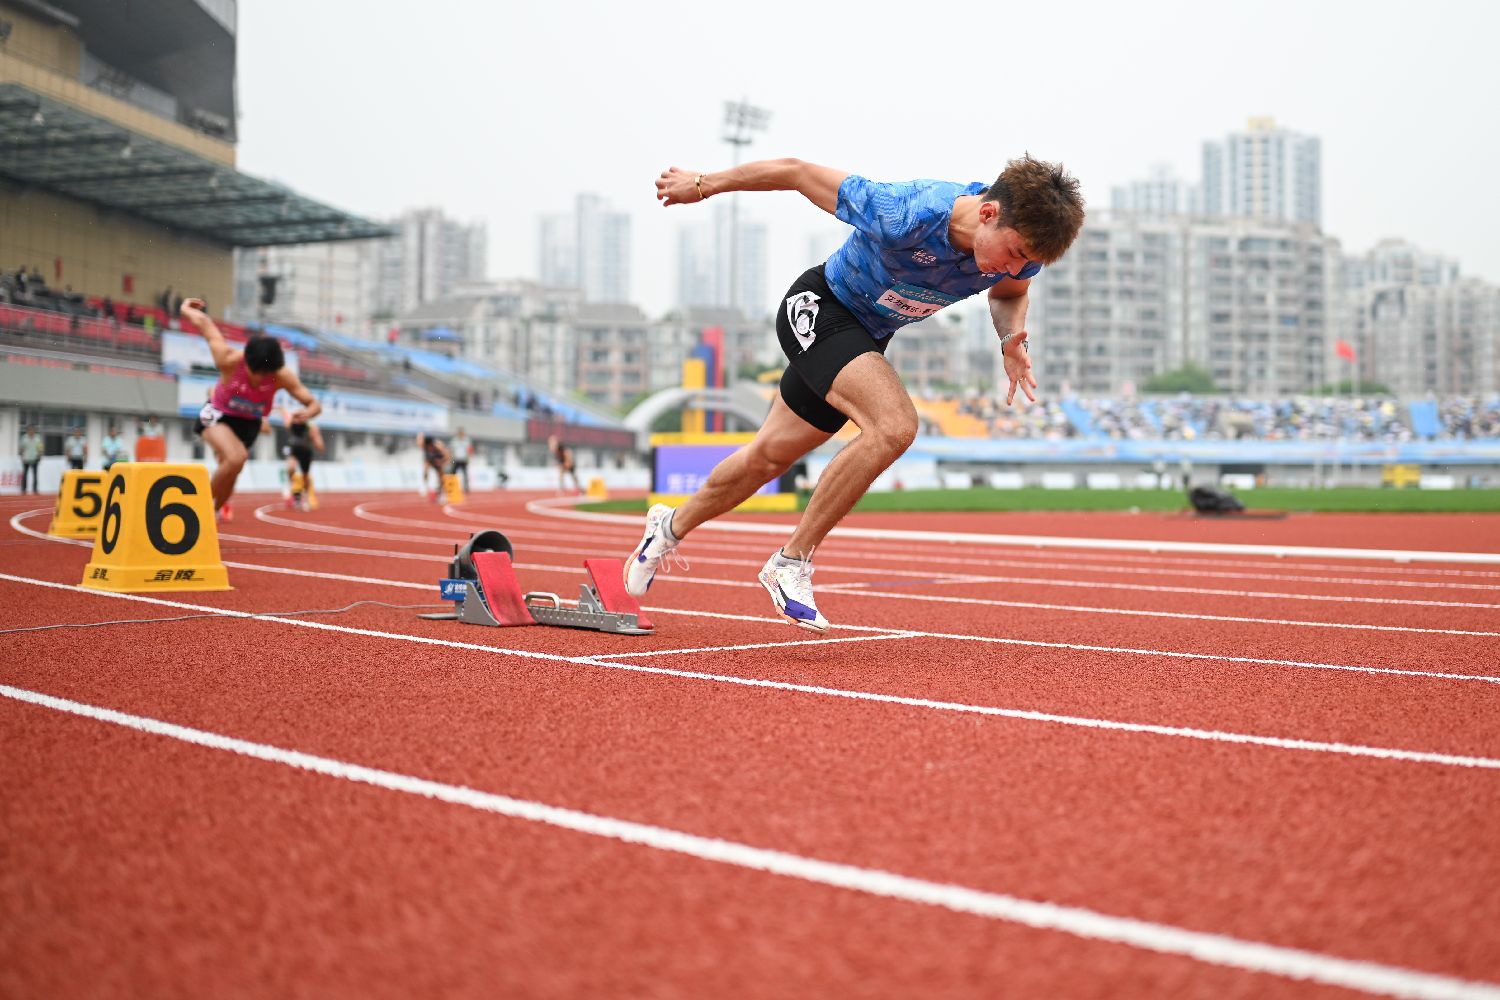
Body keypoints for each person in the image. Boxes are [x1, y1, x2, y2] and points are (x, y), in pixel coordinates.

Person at [625, 155, 1084, 632]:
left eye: (1029, 262)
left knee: (767, 457)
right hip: (818, 309)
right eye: (1014, 253)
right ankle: (790, 563)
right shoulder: (904, 212)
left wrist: (1010, 339)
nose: (1016, 267)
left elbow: (1009, 293)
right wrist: (702, 184)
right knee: (895, 426)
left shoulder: (1018, 252)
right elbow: (795, 172)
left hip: (865, 338)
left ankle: (667, 527)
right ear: (988, 213)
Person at [181, 297, 320, 521]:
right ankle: (198, 509)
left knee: (233, 470)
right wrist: (185, 308)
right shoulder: (228, 360)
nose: (260, 381)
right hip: (217, 414)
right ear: (247, 363)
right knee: (236, 458)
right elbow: (207, 326)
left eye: (267, 375)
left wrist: (309, 412)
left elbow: (313, 403)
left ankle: (214, 511)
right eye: (257, 374)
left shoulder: (281, 376)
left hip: (249, 423)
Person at [282, 405, 325, 511]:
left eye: (302, 416)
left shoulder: (312, 427)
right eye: (298, 417)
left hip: (306, 452)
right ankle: (289, 486)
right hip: (294, 450)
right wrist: (291, 415)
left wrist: (318, 444)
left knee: (305, 477)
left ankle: (305, 497)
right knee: (291, 468)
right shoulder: (293, 424)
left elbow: (319, 444)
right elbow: (287, 424)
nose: (300, 419)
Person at [416, 432, 450, 500]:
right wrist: (420, 435)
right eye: (427, 446)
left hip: (439, 460)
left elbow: (447, 457)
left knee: (441, 477)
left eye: (430, 446)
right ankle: (424, 486)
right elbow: (418, 442)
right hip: (430, 460)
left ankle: (441, 493)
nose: (429, 448)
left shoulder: (439, 446)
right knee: (426, 466)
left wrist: (441, 461)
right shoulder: (423, 445)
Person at [18, 424, 42, 493]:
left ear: (35, 430)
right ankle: (23, 489)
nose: (31, 431)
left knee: (35, 474)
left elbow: (40, 448)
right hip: (26, 458)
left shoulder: (38, 438)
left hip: (35, 458)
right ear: (27, 430)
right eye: (30, 429)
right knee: (25, 474)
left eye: (33, 429)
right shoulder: (24, 438)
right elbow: (21, 448)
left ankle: (35, 489)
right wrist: (22, 457)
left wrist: (40, 456)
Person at [449, 427, 474, 492]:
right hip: (455, 460)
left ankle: (466, 488)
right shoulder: (454, 440)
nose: (461, 434)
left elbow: (469, 450)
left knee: (465, 474)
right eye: (460, 433)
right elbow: (451, 451)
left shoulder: (467, 440)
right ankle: (451, 487)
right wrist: (452, 460)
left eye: (462, 433)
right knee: (452, 473)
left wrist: (468, 458)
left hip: (464, 460)